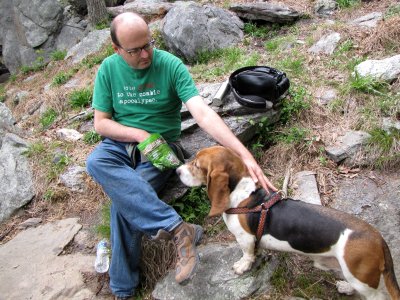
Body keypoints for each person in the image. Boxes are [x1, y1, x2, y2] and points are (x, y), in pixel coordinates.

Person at [86, 12, 277, 300]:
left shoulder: (170, 65)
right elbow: (101, 123)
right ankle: (179, 228)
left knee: (122, 204)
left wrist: (243, 153)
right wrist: (138, 134)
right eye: (135, 50)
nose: (145, 54)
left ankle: (122, 290)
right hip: (119, 146)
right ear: (116, 49)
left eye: (148, 44)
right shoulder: (108, 70)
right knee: (95, 161)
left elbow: (202, 112)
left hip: (161, 149)